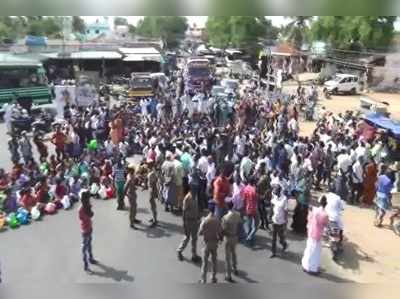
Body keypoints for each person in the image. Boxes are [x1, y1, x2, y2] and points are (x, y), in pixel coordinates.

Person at [301, 195, 329, 275]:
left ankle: (305, 266)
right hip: (317, 235)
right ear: (326, 204)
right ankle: (312, 269)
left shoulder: (314, 210)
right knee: (315, 252)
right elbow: (326, 224)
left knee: (309, 249)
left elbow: (308, 218)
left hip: (311, 232)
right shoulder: (325, 214)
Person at [199, 201, 222, 284]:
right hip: (214, 243)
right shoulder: (217, 220)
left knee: (204, 263)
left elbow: (200, 233)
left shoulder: (205, 220)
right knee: (214, 261)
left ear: (208, 209)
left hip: (206, 243)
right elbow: (220, 233)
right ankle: (213, 277)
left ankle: (203, 280)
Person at [177, 183, 201, 263]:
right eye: (194, 188)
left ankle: (194, 255)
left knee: (194, 238)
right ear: (191, 189)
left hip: (195, 220)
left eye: (196, 188)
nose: (196, 190)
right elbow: (184, 211)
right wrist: (184, 223)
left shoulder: (195, 196)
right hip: (188, 221)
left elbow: (196, 207)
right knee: (187, 237)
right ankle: (179, 251)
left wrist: (198, 217)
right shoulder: (187, 198)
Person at [221, 200, 242, 283]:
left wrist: (220, 238)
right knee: (234, 253)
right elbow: (240, 224)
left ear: (227, 206)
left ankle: (228, 275)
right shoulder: (237, 214)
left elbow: (223, 230)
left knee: (227, 257)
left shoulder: (225, 217)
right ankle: (235, 268)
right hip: (235, 237)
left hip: (228, 238)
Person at [79, 191, 98, 273]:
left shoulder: (86, 206)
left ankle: (91, 259)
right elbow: (85, 217)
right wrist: (89, 211)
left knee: (89, 245)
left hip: (89, 227)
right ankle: (86, 265)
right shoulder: (81, 209)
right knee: (84, 248)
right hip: (85, 229)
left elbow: (90, 215)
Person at [270, 185, 288, 258]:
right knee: (273, 238)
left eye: (276, 191)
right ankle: (273, 252)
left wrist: (285, 222)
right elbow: (272, 206)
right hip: (274, 220)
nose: (275, 193)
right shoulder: (274, 197)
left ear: (280, 191)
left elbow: (286, 211)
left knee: (280, 238)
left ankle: (284, 244)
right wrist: (270, 216)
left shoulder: (284, 199)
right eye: (274, 191)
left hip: (281, 222)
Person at [242, 176, 258, 246]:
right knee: (256, 224)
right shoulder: (254, 189)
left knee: (249, 224)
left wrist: (244, 208)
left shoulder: (245, 188)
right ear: (253, 182)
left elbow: (244, 200)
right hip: (254, 209)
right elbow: (257, 199)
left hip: (248, 209)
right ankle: (250, 236)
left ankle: (250, 240)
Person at [125, 164, 140, 229]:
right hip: (131, 194)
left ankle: (134, 219)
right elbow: (125, 186)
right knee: (132, 209)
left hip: (133, 193)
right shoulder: (130, 178)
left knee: (135, 207)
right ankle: (131, 223)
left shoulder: (131, 175)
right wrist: (126, 194)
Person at [146, 162, 158, 227]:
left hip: (152, 191)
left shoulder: (152, 174)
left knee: (153, 205)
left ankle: (155, 220)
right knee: (152, 205)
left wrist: (153, 192)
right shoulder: (151, 172)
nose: (147, 165)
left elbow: (154, 184)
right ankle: (153, 218)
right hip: (151, 190)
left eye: (148, 164)